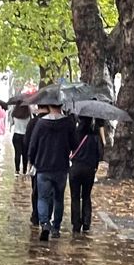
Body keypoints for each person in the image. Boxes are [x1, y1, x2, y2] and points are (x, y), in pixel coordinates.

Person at [28, 89, 78, 241]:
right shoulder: (68, 123)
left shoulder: (41, 123)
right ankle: (56, 227)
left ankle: (44, 224)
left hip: (43, 167)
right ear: (61, 104)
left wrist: (31, 160)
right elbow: (74, 144)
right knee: (58, 198)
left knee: (42, 198)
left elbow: (33, 145)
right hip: (61, 167)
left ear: (49, 105)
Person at [69, 116, 102, 234]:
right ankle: (86, 222)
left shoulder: (75, 134)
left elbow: (70, 148)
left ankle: (76, 223)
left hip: (76, 168)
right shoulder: (95, 136)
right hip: (89, 169)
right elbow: (100, 153)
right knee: (87, 196)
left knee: (75, 196)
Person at [25, 105, 49, 226]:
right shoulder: (55, 121)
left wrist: (30, 160)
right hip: (51, 162)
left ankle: (36, 216)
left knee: (36, 190)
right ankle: (47, 217)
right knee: (49, 192)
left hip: (36, 162)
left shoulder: (33, 122)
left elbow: (27, 142)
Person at [10, 103, 31, 174]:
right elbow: (29, 126)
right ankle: (24, 170)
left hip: (16, 135)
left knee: (17, 153)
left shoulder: (14, 115)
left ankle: (17, 170)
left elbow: (12, 123)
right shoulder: (28, 115)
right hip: (25, 136)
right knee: (25, 154)